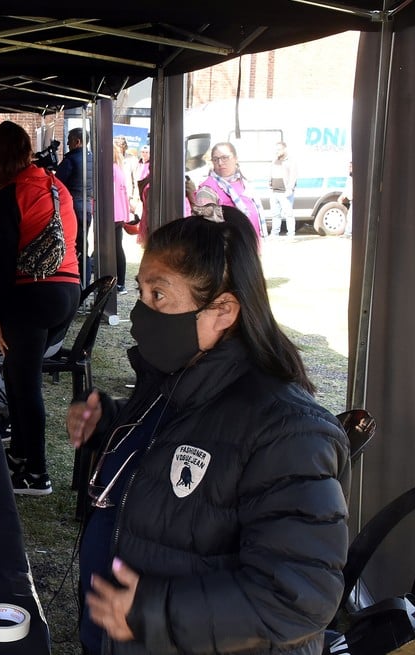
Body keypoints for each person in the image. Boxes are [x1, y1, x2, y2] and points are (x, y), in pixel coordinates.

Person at [67, 207, 349, 654]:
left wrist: (154, 612)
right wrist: (109, 424)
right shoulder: (174, 378)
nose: (143, 312)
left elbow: (298, 598)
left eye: (159, 295)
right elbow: (172, 441)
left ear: (222, 311)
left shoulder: (289, 431)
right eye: (141, 292)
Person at [0, 120, 81, 495]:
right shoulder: (54, 185)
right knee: (21, 380)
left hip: (32, 295)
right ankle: (20, 457)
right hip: (66, 290)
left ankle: (36, 474)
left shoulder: (9, 196)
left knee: (24, 384)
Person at [196, 142, 263, 239]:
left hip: (251, 247)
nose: (220, 163)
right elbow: (209, 229)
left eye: (225, 157)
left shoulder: (245, 183)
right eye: (215, 159)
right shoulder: (206, 190)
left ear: (236, 159)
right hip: (229, 250)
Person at [55, 127, 92, 266]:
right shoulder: (92, 159)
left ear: (77, 141)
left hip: (72, 208)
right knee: (84, 245)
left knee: (72, 245)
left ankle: (77, 279)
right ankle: (86, 280)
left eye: (69, 141)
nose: (67, 144)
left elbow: (57, 183)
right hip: (87, 207)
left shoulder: (70, 160)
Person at [268, 141, 297, 239]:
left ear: (285, 149)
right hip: (274, 191)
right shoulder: (274, 160)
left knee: (288, 214)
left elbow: (293, 176)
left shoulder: (290, 161)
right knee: (275, 214)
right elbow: (271, 173)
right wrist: (269, 184)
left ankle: (291, 235)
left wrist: (290, 189)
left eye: (279, 149)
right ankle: (274, 234)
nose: (277, 151)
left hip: (285, 192)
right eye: (276, 149)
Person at [111, 147, 130, 294]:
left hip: (112, 214)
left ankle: (120, 283)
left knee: (115, 249)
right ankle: (120, 282)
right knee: (118, 248)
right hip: (119, 214)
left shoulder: (110, 170)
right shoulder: (118, 169)